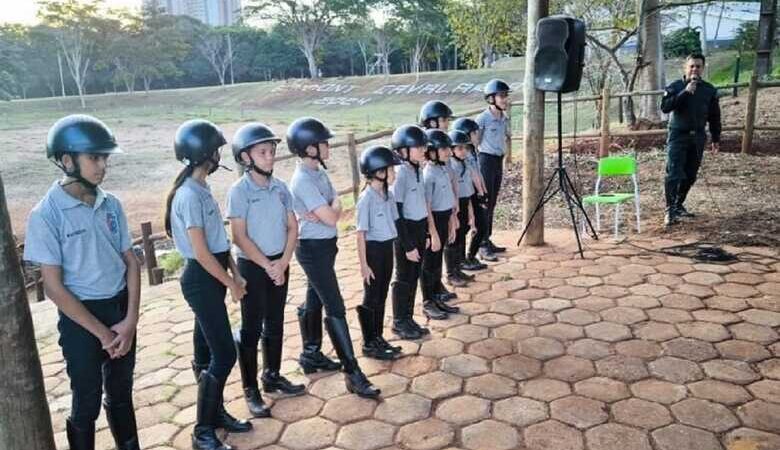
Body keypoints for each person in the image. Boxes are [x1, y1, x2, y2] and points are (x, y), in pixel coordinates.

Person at [24, 114, 141, 450]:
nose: (102, 166)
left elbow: (130, 262)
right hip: (81, 320)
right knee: (86, 399)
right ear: (66, 160)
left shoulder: (111, 203)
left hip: (119, 310)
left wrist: (129, 320)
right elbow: (54, 288)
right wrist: (102, 333)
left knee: (121, 391)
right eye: (94, 158)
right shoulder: (46, 215)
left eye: (104, 157)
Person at [164, 119, 252, 450]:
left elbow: (218, 242)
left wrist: (234, 271)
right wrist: (230, 282)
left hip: (212, 274)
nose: (219, 155)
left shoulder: (201, 189)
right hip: (202, 280)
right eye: (215, 149)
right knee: (224, 352)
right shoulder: (187, 195)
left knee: (204, 350)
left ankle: (214, 415)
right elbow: (200, 252)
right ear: (204, 154)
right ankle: (202, 432)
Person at [288, 117, 381, 399]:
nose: (328, 145)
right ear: (309, 148)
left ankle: (311, 354)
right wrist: (331, 208)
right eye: (323, 142)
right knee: (335, 305)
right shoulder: (303, 179)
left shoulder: (318, 172)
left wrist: (331, 208)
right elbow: (332, 215)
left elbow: (336, 208)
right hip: (312, 248)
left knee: (314, 298)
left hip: (325, 245)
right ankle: (353, 372)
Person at [227, 123, 305, 419]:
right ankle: (250, 389)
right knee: (251, 325)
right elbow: (239, 236)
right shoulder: (240, 191)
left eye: (272, 151)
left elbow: (292, 226)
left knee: (275, 320)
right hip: (253, 265)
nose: (270, 156)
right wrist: (267, 265)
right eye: (263, 152)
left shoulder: (281, 188)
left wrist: (283, 262)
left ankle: (272, 375)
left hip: (278, 262)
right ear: (246, 157)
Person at [660, 52, 722, 226]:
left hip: (698, 137)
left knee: (690, 175)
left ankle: (679, 205)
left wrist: (716, 138)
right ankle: (670, 209)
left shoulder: (709, 90)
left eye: (698, 66)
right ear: (685, 67)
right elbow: (665, 107)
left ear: (703, 68)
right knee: (674, 173)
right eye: (691, 66)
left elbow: (714, 116)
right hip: (678, 135)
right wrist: (685, 93)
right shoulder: (675, 86)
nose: (694, 69)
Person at [355, 145, 404, 360]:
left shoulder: (388, 195)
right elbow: (360, 234)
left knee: (382, 292)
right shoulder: (366, 199)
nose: (394, 174)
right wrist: (364, 265)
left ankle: (378, 336)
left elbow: (395, 222)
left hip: (387, 248)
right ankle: (369, 342)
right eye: (391, 170)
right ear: (378, 172)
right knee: (372, 295)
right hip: (373, 250)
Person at [389, 125, 431, 340]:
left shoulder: (417, 169)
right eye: (418, 146)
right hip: (405, 231)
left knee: (414, 275)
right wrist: (407, 245)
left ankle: (408, 317)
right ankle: (398, 321)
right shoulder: (401, 173)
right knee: (403, 277)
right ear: (403, 150)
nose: (423, 149)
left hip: (419, 227)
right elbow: (396, 211)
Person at [421, 129, 462, 320]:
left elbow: (449, 198)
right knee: (429, 264)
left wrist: (453, 219)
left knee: (437, 264)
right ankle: (428, 302)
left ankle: (437, 297)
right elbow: (427, 206)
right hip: (434, 221)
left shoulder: (443, 168)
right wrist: (433, 232)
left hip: (444, 218)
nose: (448, 152)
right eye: (443, 148)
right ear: (431, 152)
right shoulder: (428, 174)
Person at [475, 79, 512, 258]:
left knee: (493, 202)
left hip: (498, 161)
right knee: (485, 202)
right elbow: (475, 143)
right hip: (485, 161)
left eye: (506, 96)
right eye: (502, 96)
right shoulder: (483, 119)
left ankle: (487, 238)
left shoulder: (504, 118)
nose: (505, 99)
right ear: (491, 98)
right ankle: (481, 245)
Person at [451, 117, 490, 268]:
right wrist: (479, 193)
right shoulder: (460, 158)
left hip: (472, 193)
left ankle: (469, 257)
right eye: (474, 133)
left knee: (478, 225)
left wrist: (483, 192)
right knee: (464, 228)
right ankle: (461, 261)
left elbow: (476, 173)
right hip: (466, 195)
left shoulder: (471, 153)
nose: (477, 136)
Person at [447, 129, 482, 282]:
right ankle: (450, 273)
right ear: (452, 150)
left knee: (462, 235)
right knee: (453, 240)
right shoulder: (451, 167)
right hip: (454, 206)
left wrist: (471, 213)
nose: (464, 152)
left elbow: (468, 191)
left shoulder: (465, 164)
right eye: (459, 148)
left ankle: (458, 268)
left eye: (465, 148)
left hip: (464, 202)